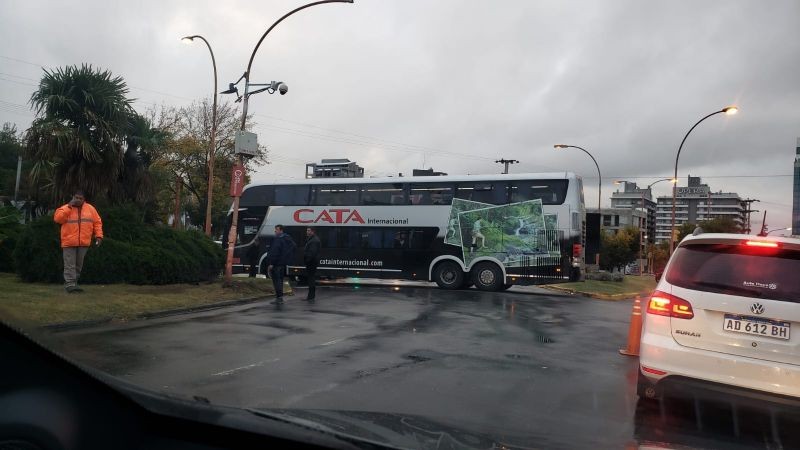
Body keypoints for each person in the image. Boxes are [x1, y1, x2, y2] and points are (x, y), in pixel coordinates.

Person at [53, 190, 103, 293]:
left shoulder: (91, 209)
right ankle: (70, 284)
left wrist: (99, 236)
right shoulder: (65, 208)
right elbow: (58, 219)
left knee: (78, 265)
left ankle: (74, 283)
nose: (78, 200)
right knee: (69, 264)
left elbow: (97, 222)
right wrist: (69, 207)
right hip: (68, 242)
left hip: (83, 242)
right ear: (73, 197)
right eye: (76, 197)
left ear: (84, 199)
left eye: (80, 198)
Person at [266, 225, 296, 304]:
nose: (275, 231)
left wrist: (271, 263)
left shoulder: (278, 239)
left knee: (276, 280)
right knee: (280, 280)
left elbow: (275, 252)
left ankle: (278, 298)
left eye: (276, 230)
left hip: (276, 263)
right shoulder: (287, 239)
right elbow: (293, 247)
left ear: (281, 230)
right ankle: (280, 297)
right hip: (283, 263)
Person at [303, 227, 321, 301]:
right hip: (312, 262)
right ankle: (311, 296)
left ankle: (311, 296)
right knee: (311, 278)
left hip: (311, 263)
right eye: (307, 230)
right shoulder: (312, 239)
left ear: (313, 231)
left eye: (309, 230)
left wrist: (307, 260)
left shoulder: (314, 241)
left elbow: (312, 253)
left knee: (311, 279)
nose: (307, 232)